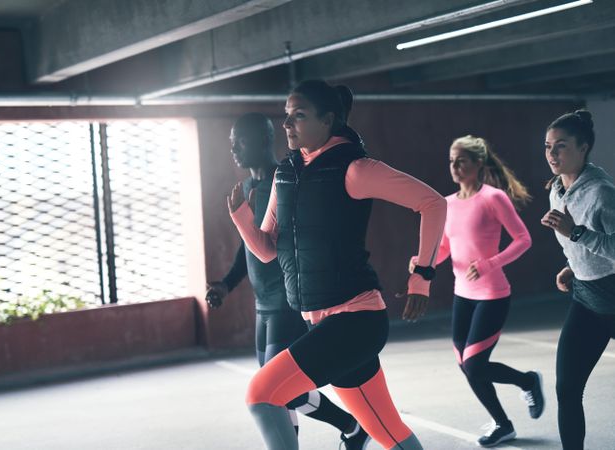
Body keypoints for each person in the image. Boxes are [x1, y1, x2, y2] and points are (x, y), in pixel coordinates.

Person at [228, 79, 447, 450]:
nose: (287, 124)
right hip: (321, 322)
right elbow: (267, 251)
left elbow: (433, 203)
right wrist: (240, 217)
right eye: (286, 116)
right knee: (387, 431)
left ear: (327, 120)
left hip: (356, 320)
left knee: (262, 394)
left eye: (299, 116)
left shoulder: (356, 169)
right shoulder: (287, 173)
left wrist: (421, 278)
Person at [205, 112, 370, 449]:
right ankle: (351, 426)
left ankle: (351, 425)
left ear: (265, 139)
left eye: (241, 139)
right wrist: (225, 283)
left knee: (275, 389)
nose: (234, 147)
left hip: (287, 301)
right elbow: (247, 247)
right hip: (262, 306)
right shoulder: (248, 188)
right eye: (231, 141)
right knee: (278, 395)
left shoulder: (287, 180)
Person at [410, 135, 543, 447]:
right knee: (467, 366)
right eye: (451, 161)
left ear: (478, 163)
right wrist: (422, 261)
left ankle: (527, 381)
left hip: (493, 294)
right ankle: (503, 424)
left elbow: (524, 239)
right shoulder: (447, 203)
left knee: (474, 364)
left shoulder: (493, 198)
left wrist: (489, 264)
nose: (455, 167)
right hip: (463, 295)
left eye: (461, 161)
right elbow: (444, 248)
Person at [541, 110, 615, 450]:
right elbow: (579, 244)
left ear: (583, 148)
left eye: (561, 147)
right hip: (587, 298)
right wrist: (573, 265)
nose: (552, 155)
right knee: (567, 389)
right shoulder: (556, 190)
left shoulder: (601, 192)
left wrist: (576, 234)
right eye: (547, 147)